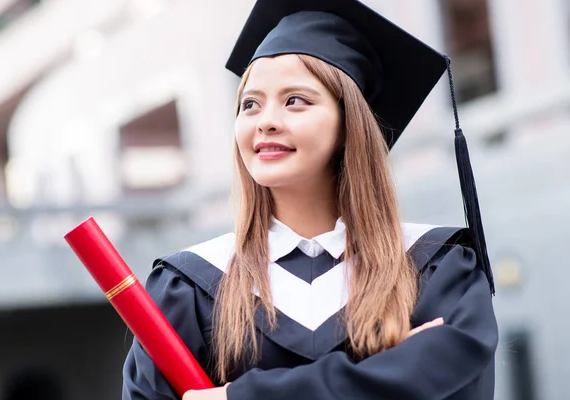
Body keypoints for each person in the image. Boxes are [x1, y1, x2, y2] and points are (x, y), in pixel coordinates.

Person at [122, 0, 499, 399]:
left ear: (348, 124)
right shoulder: (190, 288)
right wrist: (388, 376)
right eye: (250, 103)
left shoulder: (436, 269)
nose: (265, 120)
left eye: (294, 100)